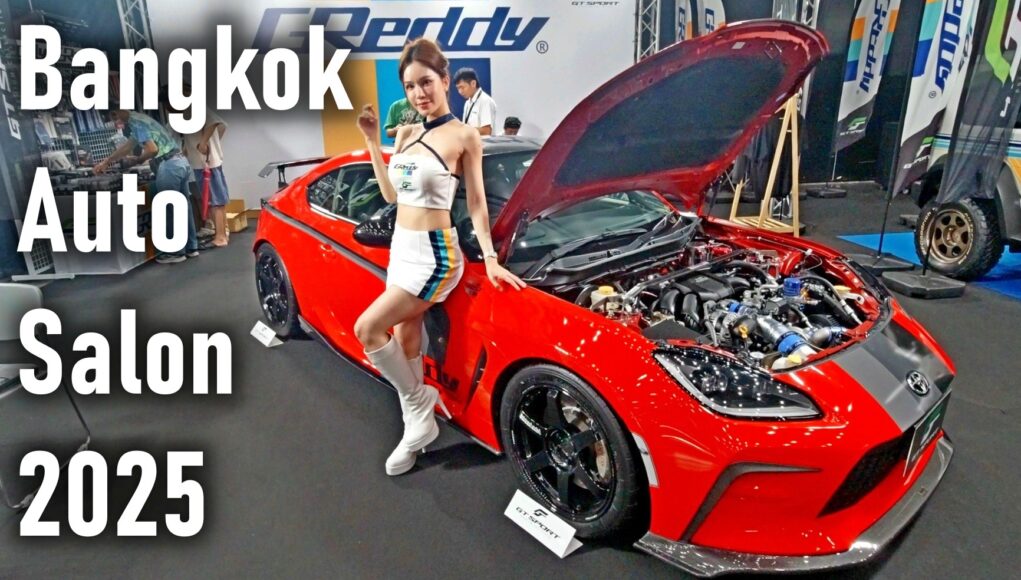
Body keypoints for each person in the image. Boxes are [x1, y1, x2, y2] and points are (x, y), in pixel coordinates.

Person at [355, 38, 525, 476]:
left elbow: (477, 202)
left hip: (435, 254)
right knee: (405, 337)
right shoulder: (407, 133)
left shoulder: (465, 136)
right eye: (410, 86)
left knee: (368, 329)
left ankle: (419, 403)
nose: (419, 93)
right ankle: (416, 428)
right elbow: (391, 195)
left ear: (445, 80)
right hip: (401, 249)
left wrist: (489, 256)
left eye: (426, 82)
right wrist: (372, 142)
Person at [94, 106, 198, 264]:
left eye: (114, 114)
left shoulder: (135, 123)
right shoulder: (139, 118)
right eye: (111, 117)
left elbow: (152, 150)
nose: (114, 119)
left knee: (169, 208)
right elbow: (128, 146)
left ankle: (176, 252)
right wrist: (107, 161)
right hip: (180, 162)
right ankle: (191, 247)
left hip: (168, 165)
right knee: (183, 207)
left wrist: (138, 159)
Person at [181, 107, 231, 247]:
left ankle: (221, 237)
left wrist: (204, 143)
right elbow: (221, 126)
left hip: (207, 163)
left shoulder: (195, 108)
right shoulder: (186, 113)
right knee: (212, 200)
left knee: (216, 200)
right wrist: (187, 149)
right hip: (201, 163)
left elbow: (214, 122)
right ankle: (221, 233)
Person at [453, 68, 497, 136]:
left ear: (473, 83)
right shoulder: (467, 103)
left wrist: (463, 129)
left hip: (484, 143)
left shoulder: (485, 101)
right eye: (458, 88)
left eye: (462, 87)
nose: (460, 92)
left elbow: (486, 131)